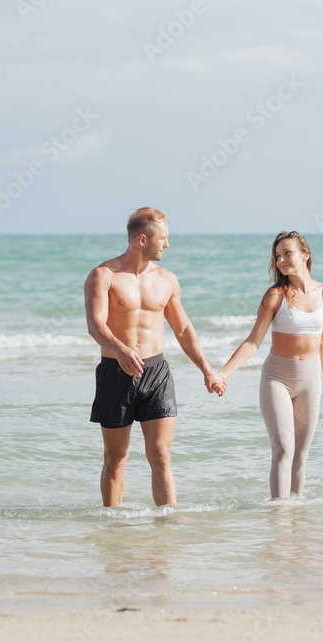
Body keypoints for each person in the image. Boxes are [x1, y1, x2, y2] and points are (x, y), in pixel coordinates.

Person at [85, 207, 225, 507]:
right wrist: (120, 348)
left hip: (156, 372)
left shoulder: (167, 279)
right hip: (115, 372)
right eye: (163, 238)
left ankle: (167, 521)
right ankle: (113, 527)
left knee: (160, 453)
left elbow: (184, 329)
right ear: (142, 239)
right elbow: (95, 325)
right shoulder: (103, 275)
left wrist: (207, 369)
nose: (167, 244)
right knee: (116, 456)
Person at [215, 231, 323, 499]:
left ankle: (295, 522)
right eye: (277, 255)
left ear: (305, 254)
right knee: (283, 448)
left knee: (301, 455)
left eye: (287, 253)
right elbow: (252, 343)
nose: (281, 259)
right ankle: (279, 517)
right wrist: (222, 373)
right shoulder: (276, 295)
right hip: (277, 378)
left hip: (311, 380)